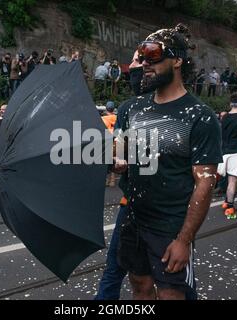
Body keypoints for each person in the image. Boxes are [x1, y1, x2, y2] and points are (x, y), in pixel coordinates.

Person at [115, 23, 222, 300]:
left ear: (177, 60)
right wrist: (114, 159)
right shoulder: (131, 108)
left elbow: (205, 183)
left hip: (170, 226)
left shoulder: (200, 116)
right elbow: (122, 153)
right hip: (134, 219)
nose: (143, 63)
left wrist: (184, 240)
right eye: (140, 55)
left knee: (171, 295)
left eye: (152, 54)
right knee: (139, 286)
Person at [95, 50, 148, 300]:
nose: (133, 66)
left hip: (168, 210)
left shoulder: (182, 111)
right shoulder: (126, 110)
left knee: (170, 277)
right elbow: (120, 148)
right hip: (131, 204)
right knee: (116, 268)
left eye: (139, 61)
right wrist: (119, 159)